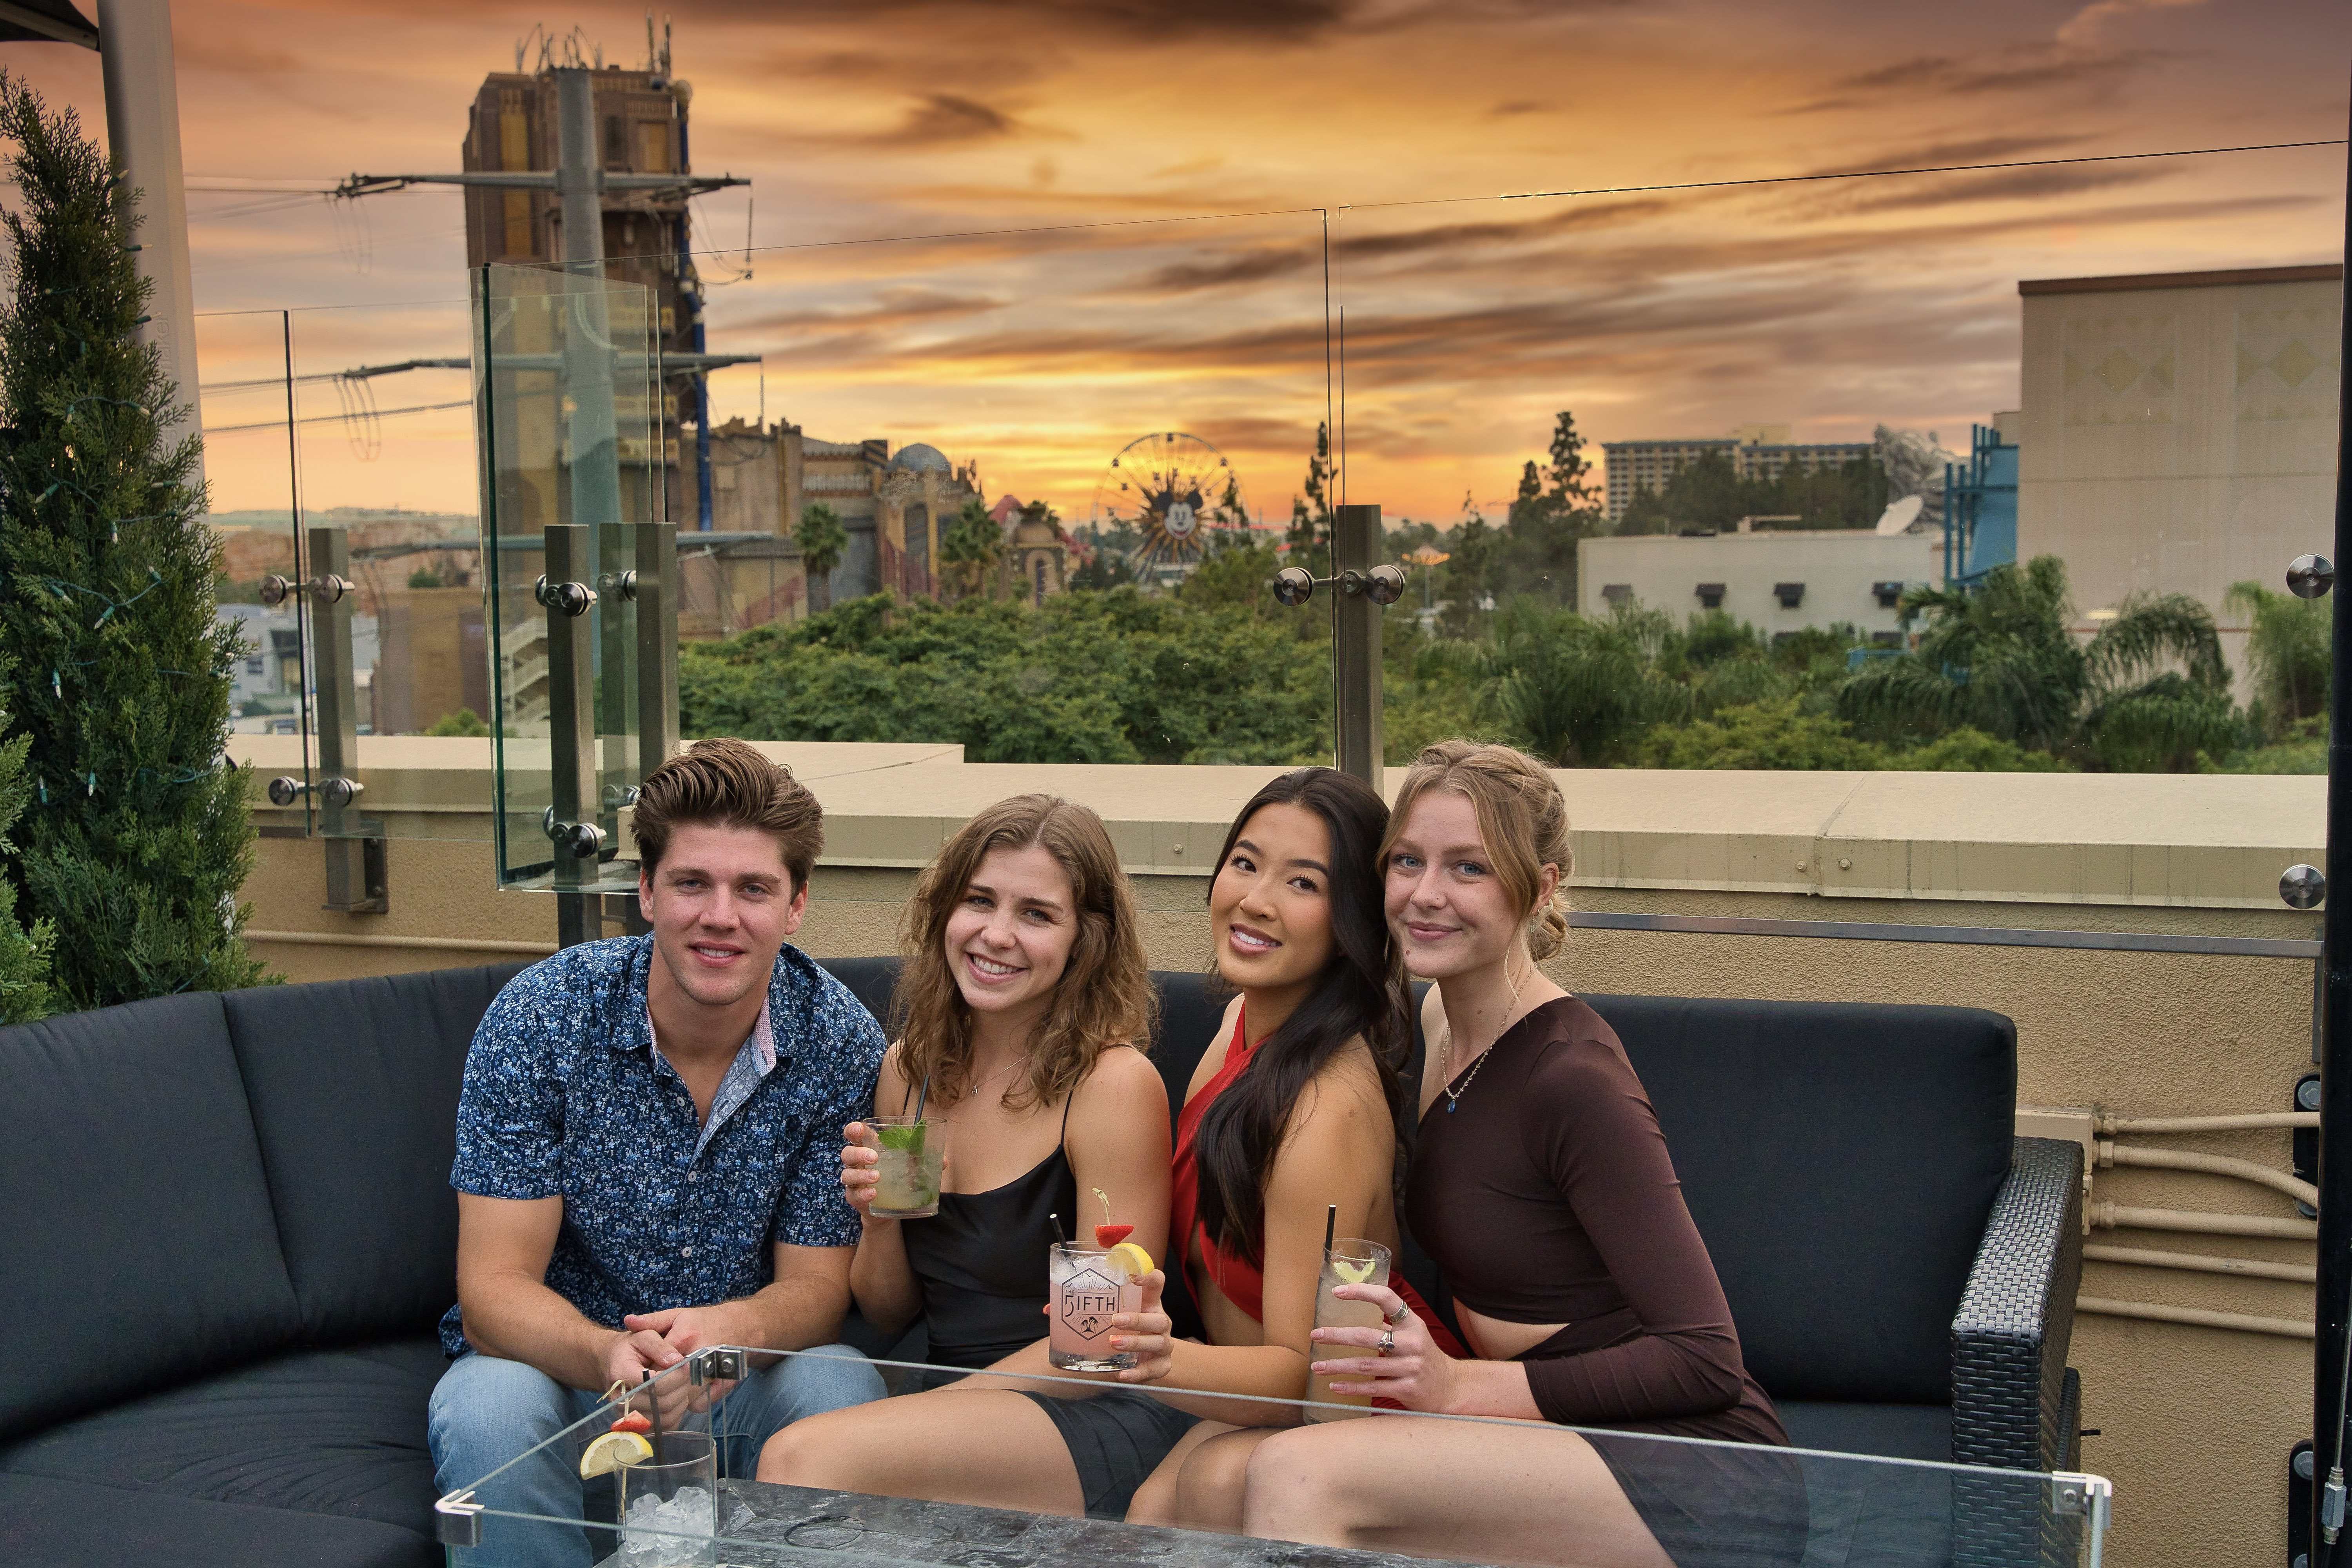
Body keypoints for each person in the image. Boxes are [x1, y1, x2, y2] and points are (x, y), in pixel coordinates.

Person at [1233, 740, 1806, 1568]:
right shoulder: (1435, 1018)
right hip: (1542, 1440)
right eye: (1408, 860)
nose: (1426, 895)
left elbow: (1705, 1355)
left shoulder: (1571, 1076)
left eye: (1469, 868)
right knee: (1235, 1479)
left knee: (1299, 1475)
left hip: (1686, 1468)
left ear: (1539, 886)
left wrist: (1460, 1388)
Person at [426, 739, 890, 1568]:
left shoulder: (840, 1038)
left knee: (839, 1379)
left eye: (753, 888)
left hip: (735, 1383)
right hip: (566, 1376)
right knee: (487, 1401)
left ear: (795, 905)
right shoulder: (542, 1016)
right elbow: (492, 1289)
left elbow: (818, 1292)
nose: (721, 914)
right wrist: (607, 1351)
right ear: (645, 891)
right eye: (691, 882)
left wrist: (725, 1333)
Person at [753, 794, 1171, 1512]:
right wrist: (882, 1220)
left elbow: (1098, 1344)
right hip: (951, 1405)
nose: (997, 934)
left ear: (1086, 940)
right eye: (980, 900)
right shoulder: (911, 1071)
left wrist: (927, 1410)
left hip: (1082, 1408)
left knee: (802, 1454)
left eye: (1037, 914)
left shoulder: (1111, 1086)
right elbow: (888, 1314)